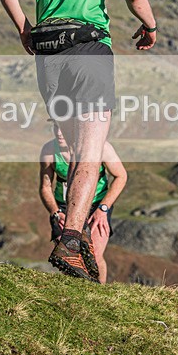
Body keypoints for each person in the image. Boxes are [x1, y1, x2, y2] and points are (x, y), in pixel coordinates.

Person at [0, 0, 157, 281]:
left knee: (71, 146)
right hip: (88, 51)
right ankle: (71, 241)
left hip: (47, 56)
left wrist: (24, 29)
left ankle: (73, 244)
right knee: (89, 151)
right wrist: (149, 26)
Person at [39, 121, 127, 283]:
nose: (59, 133)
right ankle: (78, 297)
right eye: (55, 127)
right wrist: (56, 212)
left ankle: (100, 294)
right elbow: (45, 187)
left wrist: (103, 208)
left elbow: (121, 176)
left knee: (94, 255)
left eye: (63, 128)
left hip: (96, 206)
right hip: (64, 208)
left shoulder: (102, 148)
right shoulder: (49, 151)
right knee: (68, 256)